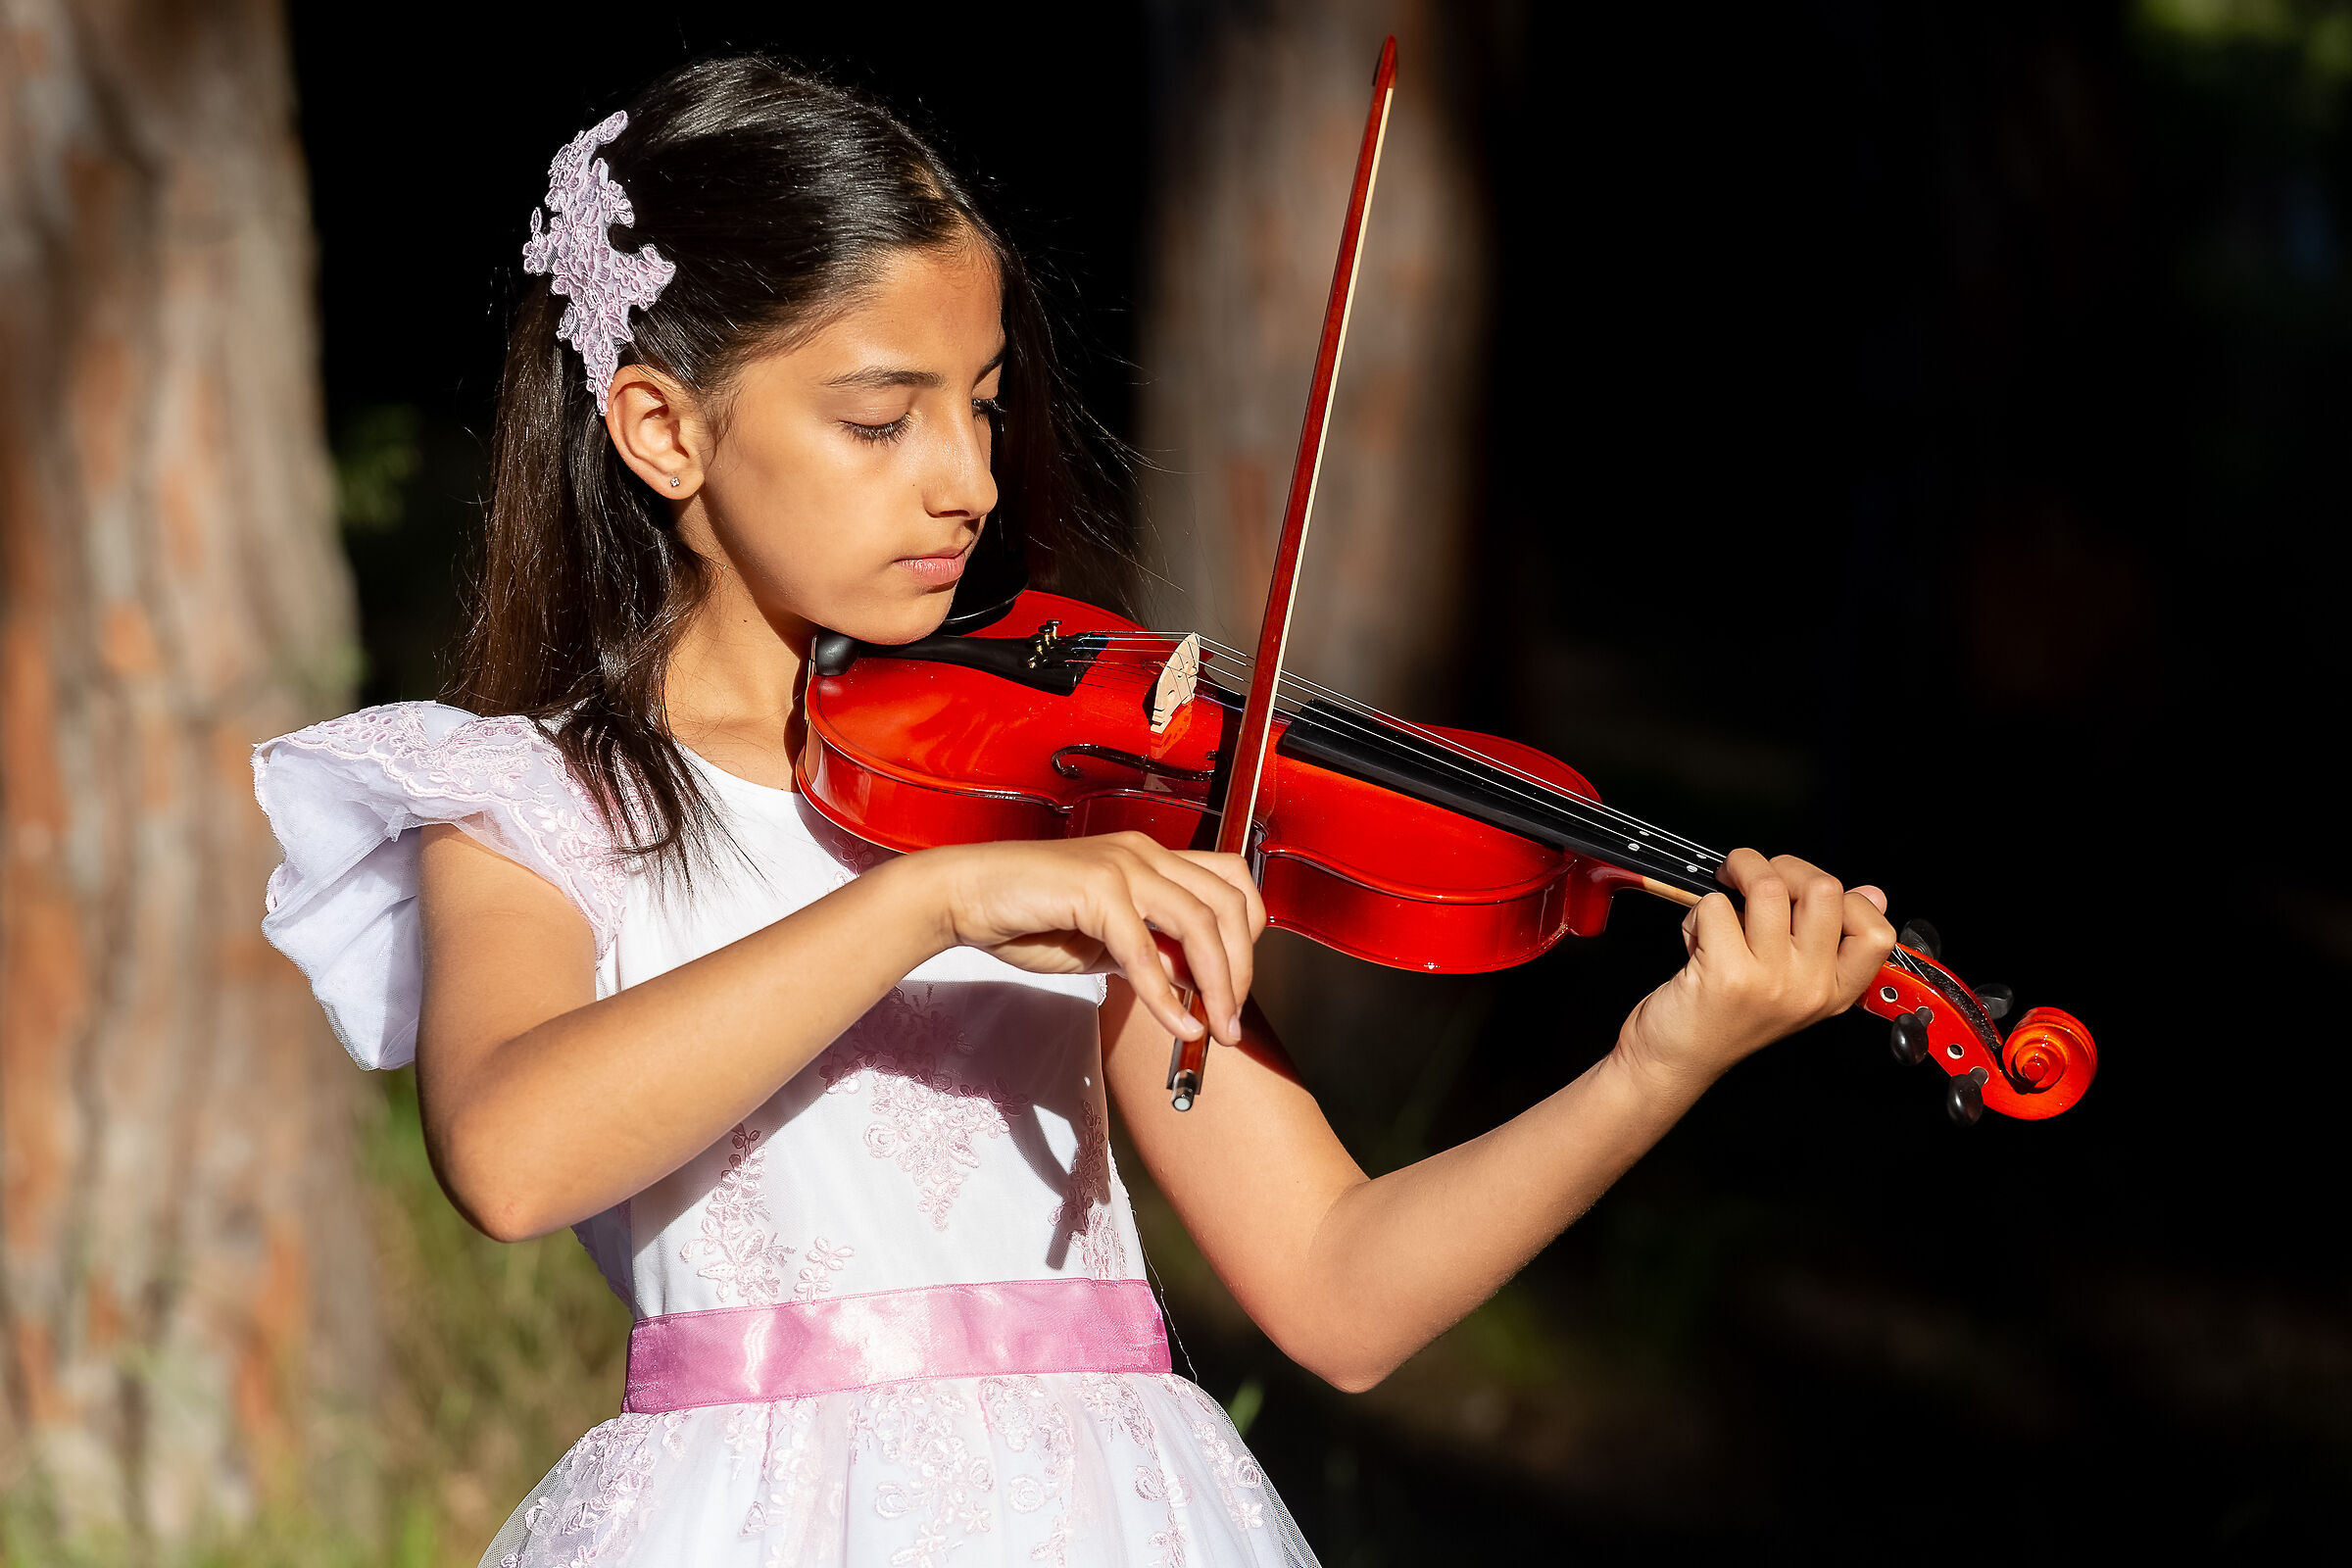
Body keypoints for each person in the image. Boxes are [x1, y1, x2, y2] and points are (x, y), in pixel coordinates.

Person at [253, 55, 1895, 1568]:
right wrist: (925, 904)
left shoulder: (1046, 800)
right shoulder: (531, 802)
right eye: (880, 419)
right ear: (663, 428)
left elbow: (1341, 1294)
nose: (966, 479)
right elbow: (512, 1156)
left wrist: (1657, 1062)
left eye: (982, 402)